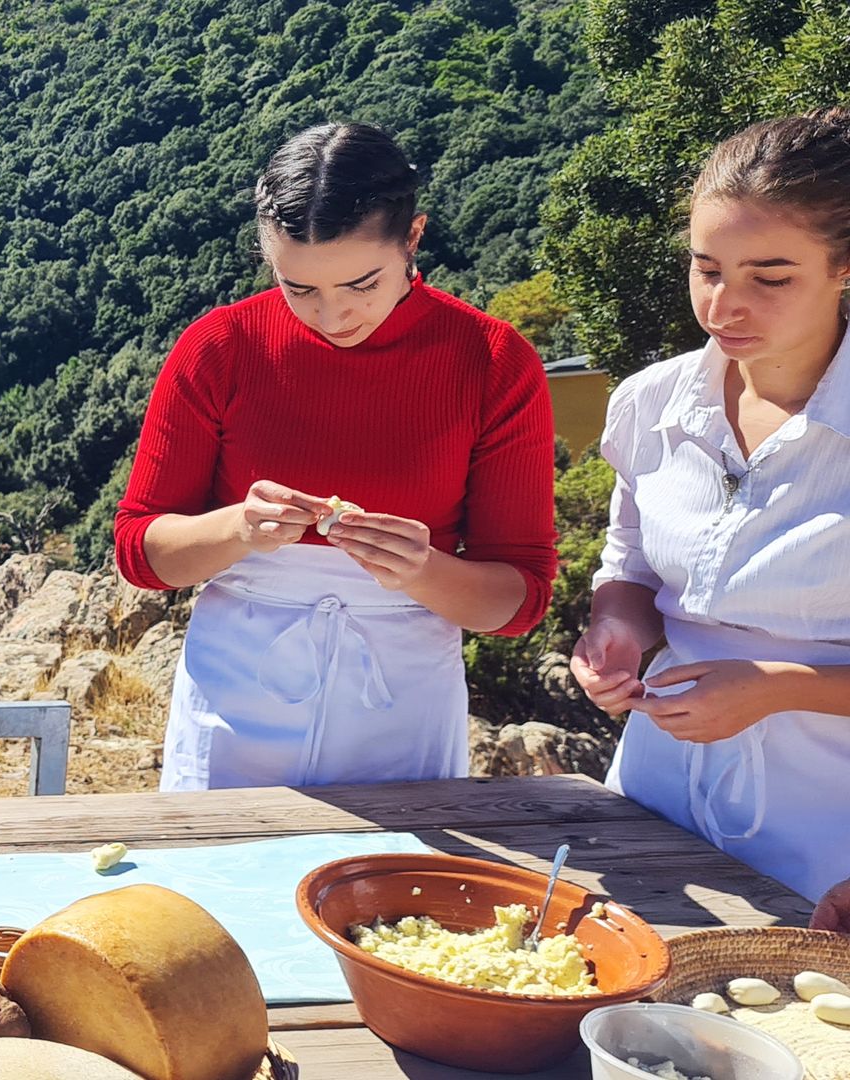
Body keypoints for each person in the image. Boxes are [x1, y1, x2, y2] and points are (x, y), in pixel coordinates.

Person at [115, 121, 558, 791]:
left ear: (413, 238)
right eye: (300, 289)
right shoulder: (220, 347)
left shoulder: (492, 361)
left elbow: (520, 600)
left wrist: (422, 571)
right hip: (238, 691)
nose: (332, 316)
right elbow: (139, 553)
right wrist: (236, 528)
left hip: (400, 698)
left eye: (360, 284)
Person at [571, 109, 850, 904]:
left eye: (770, 277)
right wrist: (617, 626)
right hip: (652, 801)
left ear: (844, 267)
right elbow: (628, 562)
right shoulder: (651, 401)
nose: (725, 306)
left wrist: (777, 684)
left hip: (827, 839)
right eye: (707, 268)